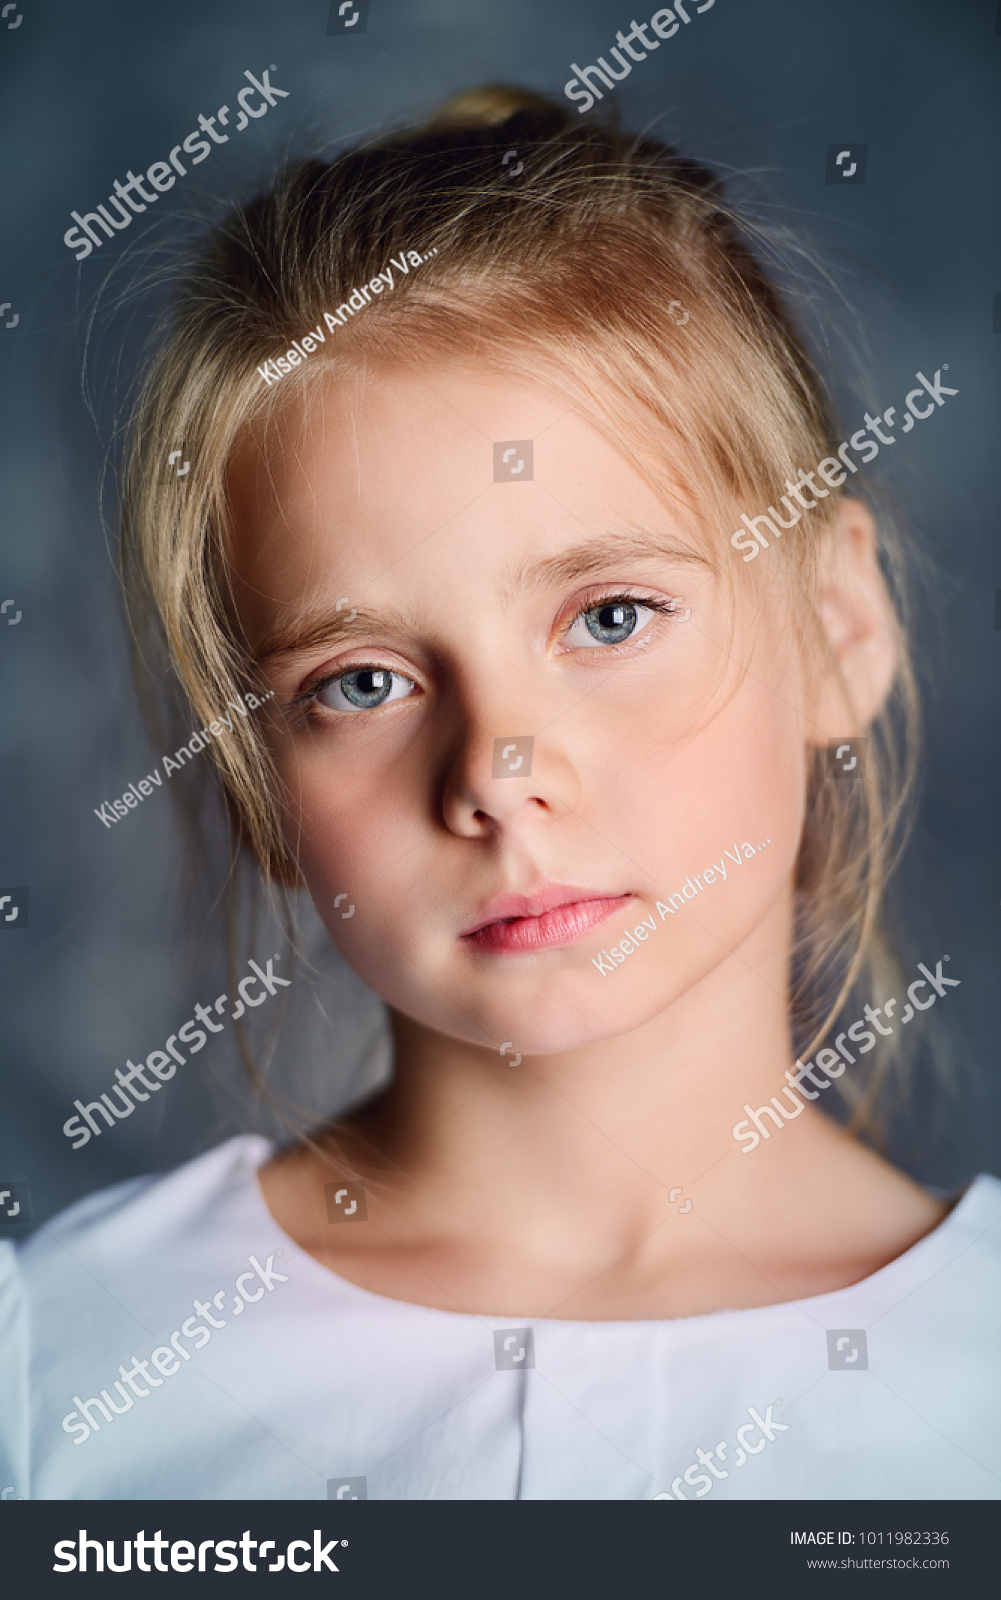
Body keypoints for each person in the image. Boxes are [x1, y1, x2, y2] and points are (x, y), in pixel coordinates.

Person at [2, 86, 997, 1503]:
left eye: (608, 618)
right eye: (359, 681)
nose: (497, 776)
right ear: (255, 777)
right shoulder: (57, 1376)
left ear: (835, 625)